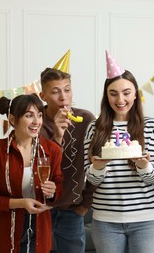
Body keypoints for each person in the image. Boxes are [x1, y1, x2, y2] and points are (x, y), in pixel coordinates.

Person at [83, 51, 154, 253]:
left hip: (145, 219)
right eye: (113, 93)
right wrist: (97, 168)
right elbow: (90, 180)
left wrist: (143, 165)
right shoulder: (94, 128)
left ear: (136, 93)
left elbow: (153, 177)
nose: (120, 99)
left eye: (126, 92)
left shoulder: (151, 126)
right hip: (105, 220)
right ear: (106, 95)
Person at [0, 94, 63, 253]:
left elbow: (59, 186)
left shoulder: (52, 150)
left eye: (40, 115)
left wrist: (53, 191)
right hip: (3, 230)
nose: (37, 122)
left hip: (39, 228)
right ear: (13, 119)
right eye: (29, 115)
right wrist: (21, 203)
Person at [39, 64, 96, 252]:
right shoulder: (35, 123)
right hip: (39, 209)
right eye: (55, 92)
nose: (63, 97)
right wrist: (57, 136)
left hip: (72, 211)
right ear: (43, 97)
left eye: (67, 90)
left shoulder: (86, 120)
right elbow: (38, 166)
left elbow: (99, 163)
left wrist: (86, 204)